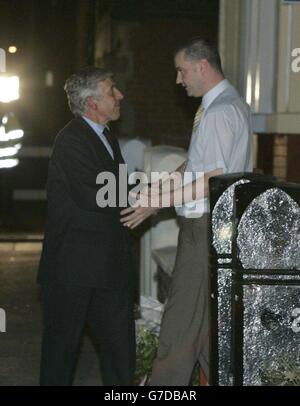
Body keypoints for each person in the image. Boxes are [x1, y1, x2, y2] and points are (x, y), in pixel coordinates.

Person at [121, 38, 253, 385]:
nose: (179, 80)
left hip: (205, 225)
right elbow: (195, 167)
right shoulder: (218, 106)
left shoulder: (221, 110)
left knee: (180, 318)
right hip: (206, 223)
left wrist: (158, 201)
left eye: (182, 71)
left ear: (202, 66)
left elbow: (214, 177)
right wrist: (158, 190)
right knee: (201, 318)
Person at [38, 67, 136, 386]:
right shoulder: (71, 141)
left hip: (107, 267)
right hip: (73, 270)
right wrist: (147, 192)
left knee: (120, 351)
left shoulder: (106, 136)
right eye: (111, 91)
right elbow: (95, 195)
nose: (119, 95)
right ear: (92, 103)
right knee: (61, 355)